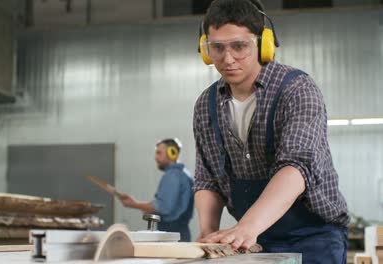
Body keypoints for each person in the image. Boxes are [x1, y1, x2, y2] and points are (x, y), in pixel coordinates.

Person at [193, 0, 349, 262]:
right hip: (254, 240)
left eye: (239, 46)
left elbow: (297, 166)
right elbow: (207, 178)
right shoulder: (206, 105)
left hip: (314, 237)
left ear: (264, 44)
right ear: (205, 49)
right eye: (216, 48)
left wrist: (247, 226)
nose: (227, 59)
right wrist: (209, 234)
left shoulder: (297, 90)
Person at [118, 138, 194, 242]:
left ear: (172, 153)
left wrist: (134, 204)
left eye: (159, 153)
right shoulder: (184, 174)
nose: (156, 157)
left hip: (171, 234)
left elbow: (162, 207)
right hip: (180, 234)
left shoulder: (173, 176)